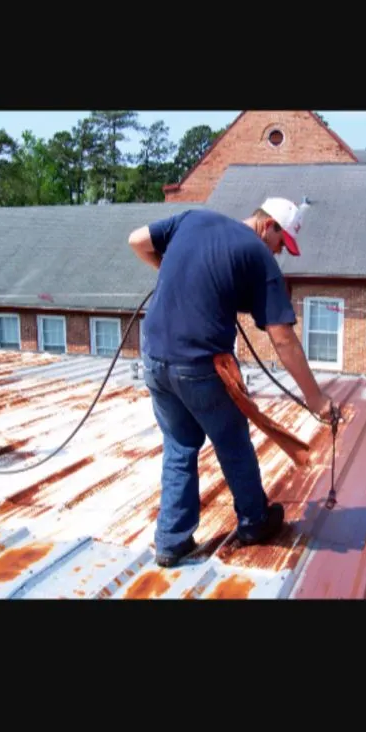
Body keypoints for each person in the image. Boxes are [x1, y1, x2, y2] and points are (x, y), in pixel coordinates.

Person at [128, 197, 334, 568]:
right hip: (199, 362)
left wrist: (176, 279)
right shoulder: (258, 254)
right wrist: (316, 399)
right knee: (232, 439)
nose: (278, 252)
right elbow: (282, 338)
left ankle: (172, 541)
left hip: (154, 356)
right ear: (267, 225)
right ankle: (254, 522)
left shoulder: (193, 218)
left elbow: (137, 240)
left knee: (180, 442)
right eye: (280, 243)